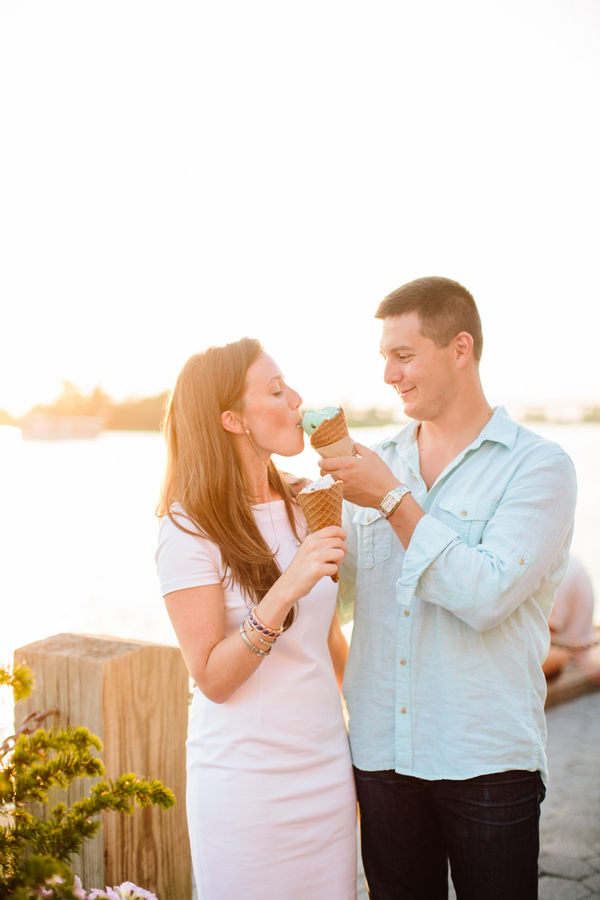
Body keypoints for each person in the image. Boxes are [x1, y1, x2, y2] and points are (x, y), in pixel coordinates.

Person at [319, 277, 577, 900]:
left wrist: (391, 500)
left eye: (403, 356)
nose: (388, 375)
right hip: (382, 753)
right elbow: (339, 599)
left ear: (461, 348)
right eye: (384, 357)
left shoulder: (539, 467)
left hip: (485, 758)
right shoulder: (374, 462)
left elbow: (486, 595)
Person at [154, 338, 357, 900]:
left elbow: (328, 642)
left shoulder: (308, 502)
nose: (296, 399)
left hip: (326, 775)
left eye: (288, 384)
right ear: (231, 419)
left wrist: (365, 745)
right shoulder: (188, 528)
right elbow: (212, 679)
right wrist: (286, 586)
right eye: (274, 391)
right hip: (244, 789)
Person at [542, 555, 600, 682]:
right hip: (578, 660)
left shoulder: (554, 573)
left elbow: (543, 647)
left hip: (566, 666)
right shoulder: (567, 562)